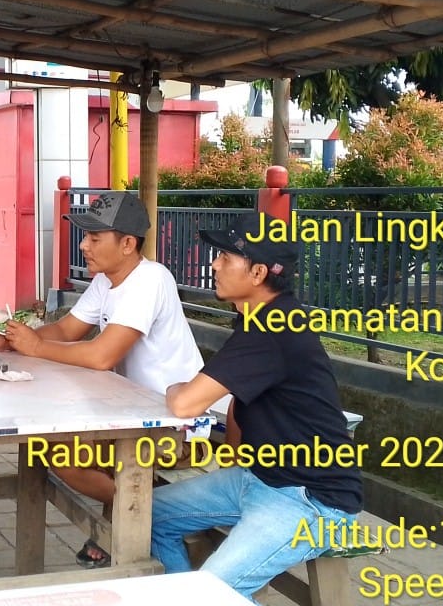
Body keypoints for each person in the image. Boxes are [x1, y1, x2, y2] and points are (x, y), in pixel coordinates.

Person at [0, 190, 203, 568]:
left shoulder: (150, 279)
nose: (84, 246)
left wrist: (35, 346)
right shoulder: (107, 280)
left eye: (95, 238)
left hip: (180, 424)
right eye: (85, 237)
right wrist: (11, 342)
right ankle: (136, 511)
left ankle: (143, 514)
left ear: (127, 244)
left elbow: (101, 356)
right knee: (52, 444)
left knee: (62, 454)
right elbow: (66, 331)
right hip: (135, 411)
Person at [150, 212, 362, 602]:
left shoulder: (273, 327)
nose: (214, 265)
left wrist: (174, 385)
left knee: (210, 593)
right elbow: (237, 400)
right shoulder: (258, 318)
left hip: (311, 500)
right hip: (258, 478)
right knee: (147, 516)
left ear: (258, 273)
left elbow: (185, 403)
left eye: (225, 257)